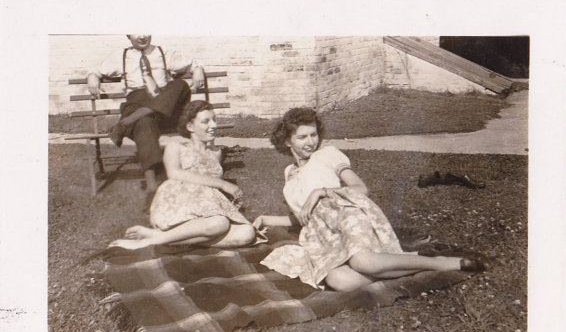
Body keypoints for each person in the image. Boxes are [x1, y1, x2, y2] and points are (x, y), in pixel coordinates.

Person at [253, 107, 486, 291]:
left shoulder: (327, 154)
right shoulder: (288, 173)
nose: (310, 142)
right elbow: (302, 215)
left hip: (346, 214)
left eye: (313, 134)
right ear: (287, 141)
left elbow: (361, 189)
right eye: (301, 137)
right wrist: (265, 218)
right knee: (340, 281)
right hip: (319, 233)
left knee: (363, 263)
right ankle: (411, 260)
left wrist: (321, 192)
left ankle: (442, 263)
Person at [109, 100, 256, 250]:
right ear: (190, 126)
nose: (214, 126)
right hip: (179, 206)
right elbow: (174, 173)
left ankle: (158, 237)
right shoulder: (176, 146)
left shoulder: (216, 152)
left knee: (247, 233)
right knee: (219, 223)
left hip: (208, 207)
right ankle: (147, 242)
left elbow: (210, 184)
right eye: (206, 121)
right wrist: (223, 184)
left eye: (214, 120)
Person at [87, 35, 205, 204]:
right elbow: (96, 70)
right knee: (144, 122)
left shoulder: (165, 52)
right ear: (128, 35)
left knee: (180, 85)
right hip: (136, 101)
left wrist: (198, 69)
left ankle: (124, 124)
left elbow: (192, 63)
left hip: (165, 108)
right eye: (136, 32)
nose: (142, 36)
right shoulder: (119, 56)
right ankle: (152, 185)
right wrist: (92, 77)